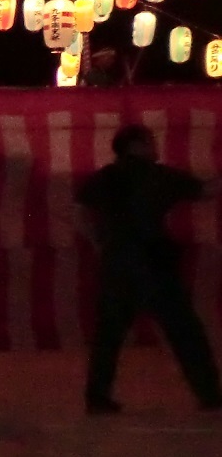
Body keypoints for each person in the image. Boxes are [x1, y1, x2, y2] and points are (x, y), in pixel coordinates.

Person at [78, 124, 222, 414]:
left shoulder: (104, 178)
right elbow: (205, 190)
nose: (155, 146)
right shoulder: (159, 176)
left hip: (117, 264)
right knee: (185, 332)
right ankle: (210, 394)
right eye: (150, 141)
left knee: (108, 336)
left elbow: (79, 211)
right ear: (137, 145)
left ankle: (97, 398)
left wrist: (99, 244)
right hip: (153, 264)